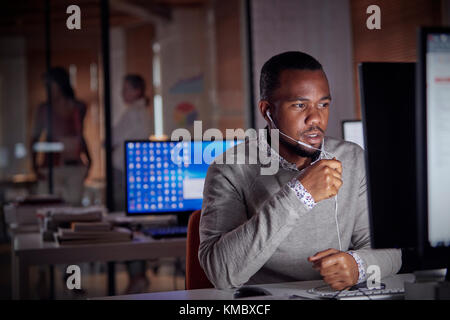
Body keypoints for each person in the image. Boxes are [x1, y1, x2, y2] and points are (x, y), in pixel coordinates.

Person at [198, 51, 402, 290]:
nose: (316, 118)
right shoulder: (229, 168)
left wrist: (359, 266)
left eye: (323, 104)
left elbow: (393, 254)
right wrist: (300, 194)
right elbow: (221, 273)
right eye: (299, 105)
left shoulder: (352, 157)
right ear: (267, 110)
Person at [112, 74, 153, 294]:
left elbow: (111, 139)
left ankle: (137, 276)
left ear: (137, 91)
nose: (122, 94)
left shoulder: (133, 114)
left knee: (126, 225)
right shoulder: (142, 112)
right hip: (133, 173)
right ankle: (138, 275)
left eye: (126, 89)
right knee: (133, 223)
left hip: (123, 173)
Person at [31, 67, 91, 205]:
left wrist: (89, 160)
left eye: (49, 84)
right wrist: (35, 165)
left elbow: (80, 136)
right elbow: (35, 139)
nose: (47, 89)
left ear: (59, 84)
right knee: (49, 207)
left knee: (74, 206)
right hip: (50, 167)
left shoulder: (79, 107)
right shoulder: (44, 109)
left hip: (74, 167)